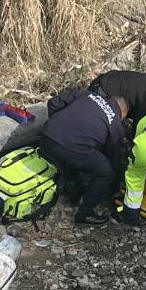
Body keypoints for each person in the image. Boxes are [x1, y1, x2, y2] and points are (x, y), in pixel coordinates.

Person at [41, 87, 128, 225]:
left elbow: (53, 103)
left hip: (46, 136)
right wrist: (115, 185)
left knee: (82, 155)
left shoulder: (86, 94)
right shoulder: (115, 123)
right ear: (122, 113)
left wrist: (57, 125)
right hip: (70, 149)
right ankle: (84, 214)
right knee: (105, 172)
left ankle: (73, 191)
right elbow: (113, 157)